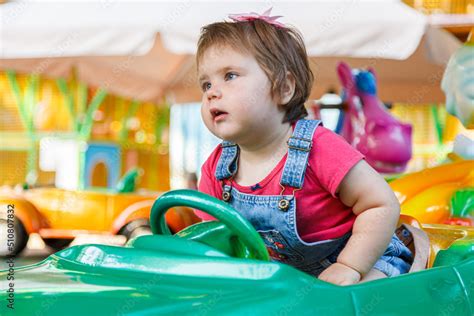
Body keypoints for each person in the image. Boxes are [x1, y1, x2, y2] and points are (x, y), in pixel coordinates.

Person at [195, 9, 412, 285]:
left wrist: (350, 266)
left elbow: (381, 204)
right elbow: (215, 240)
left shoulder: (319, 148)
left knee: (361, 296)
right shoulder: (216, 169)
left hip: (364, 257)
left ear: (284, 88)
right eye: (206, 83)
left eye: (230, 76)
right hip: (289, 282)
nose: (212, 92)